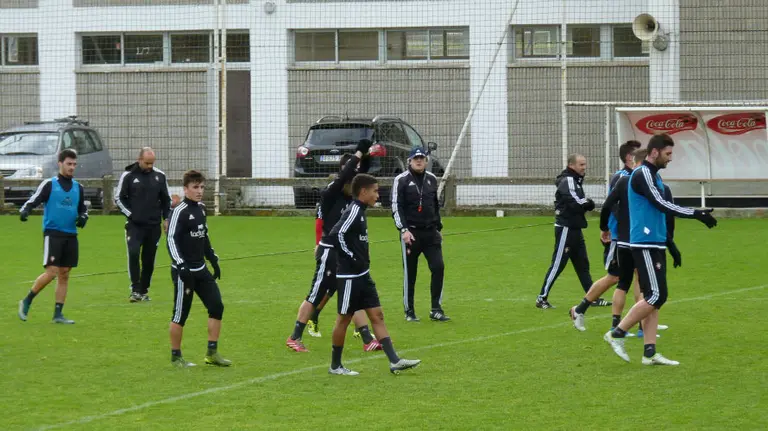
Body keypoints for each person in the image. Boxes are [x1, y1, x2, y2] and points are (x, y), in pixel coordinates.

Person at [604, 133, 717, 365]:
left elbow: (660, 209)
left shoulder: (653, 176)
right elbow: (660, 203)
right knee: (656, 295)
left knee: (653, 297)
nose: (671, 158)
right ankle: (617, 333)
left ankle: (649, 353)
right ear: (654, 152)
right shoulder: (642, 173)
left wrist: (670, 243)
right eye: (668, 154)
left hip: (654, 242)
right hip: (644, 243)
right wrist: (696, 213)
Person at [285, 140, 382, 353]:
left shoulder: (353, 198)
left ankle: (367, 339)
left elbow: (362, 176)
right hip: (329, 251)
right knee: (315, 294)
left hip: (343, 254)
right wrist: (358, 153)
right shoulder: (331, 193)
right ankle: (294, 337)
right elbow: (345, 176)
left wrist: (368, 154)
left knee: (351, 293)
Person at [328, 174, 421, 375]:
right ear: (363, 192)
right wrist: (352, 258)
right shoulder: (353, 210)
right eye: (375, 191)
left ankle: (394, 361)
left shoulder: (362, 211)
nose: (378, 195)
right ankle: (335, 366)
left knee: (377, 315)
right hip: (350, 278)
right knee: (343, 320)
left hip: (364, 275)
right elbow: (337, 234)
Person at [570, 149, 647, 331]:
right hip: (620, 237)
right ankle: (581, 309)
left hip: (634, 237)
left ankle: (642, 323)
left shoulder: (642, 179)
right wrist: (607, 229)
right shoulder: (622, 179)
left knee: (638, 276)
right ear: (631, 158)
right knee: (615, 278)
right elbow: (609, 205)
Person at [166, 170, 229, 368]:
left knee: (217, 306)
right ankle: (176, 357)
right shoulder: (179, 211)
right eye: (195, 187)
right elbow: (171, 240)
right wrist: (181, 264)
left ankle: (212, 352)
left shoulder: (201, 209)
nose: (200, 191)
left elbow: (204, 237)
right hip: (184, 273)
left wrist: (213, 259)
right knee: (180, 315)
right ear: (185, 189)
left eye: (202, 187)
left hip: (200, 269)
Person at [17, 149, 88, 324]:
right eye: (68, 164)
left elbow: (83, 210)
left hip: (71, 234)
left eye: (74, 164)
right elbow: (34, 199)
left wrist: (84, 218)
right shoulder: (50, 184)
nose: (72, 167)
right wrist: (26, 210)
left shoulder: (79, 188)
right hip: (53, 233)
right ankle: (27, 300)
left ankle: (58, 314)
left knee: (64, 274)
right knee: (52, 271)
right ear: (60, 164)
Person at [392, 147, 448, 322]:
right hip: (411, 233)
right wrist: (404, 230)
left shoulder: (431, 179)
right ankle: (409, 311)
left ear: (426, 161)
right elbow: (396, 206)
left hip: (430, 233)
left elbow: (435, 205)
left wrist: (438, 228)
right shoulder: (401, 180)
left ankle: (436, 309)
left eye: (422, 158)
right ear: (409, 160)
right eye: (415, 158)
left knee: (438, 267)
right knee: (411, 273)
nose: (418, 161)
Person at [535, 154, 595, 309]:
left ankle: (592, 297)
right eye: (581, 164)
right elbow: (576, 202)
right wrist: (589, 203)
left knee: (583, 265)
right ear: (571, 165)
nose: (584, 167)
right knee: (558, 264)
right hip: (566, 229)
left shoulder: (574, 180)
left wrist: (586, 203)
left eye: (585, 164)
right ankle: (541, 298)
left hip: (575, 228)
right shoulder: (568, 180)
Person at [115, 147, 171, 302]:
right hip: (135, 226)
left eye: (152, 163)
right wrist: (132, 215)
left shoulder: (160, 176)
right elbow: (119, 199)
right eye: (147, 163)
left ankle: (143, 290)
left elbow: (167, 200)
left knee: (148, 259)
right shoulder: (128, 176)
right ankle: (134, 289)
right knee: (133, 253)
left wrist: (166, 219)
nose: (150, 166)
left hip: (153, 226)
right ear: (139, 160)